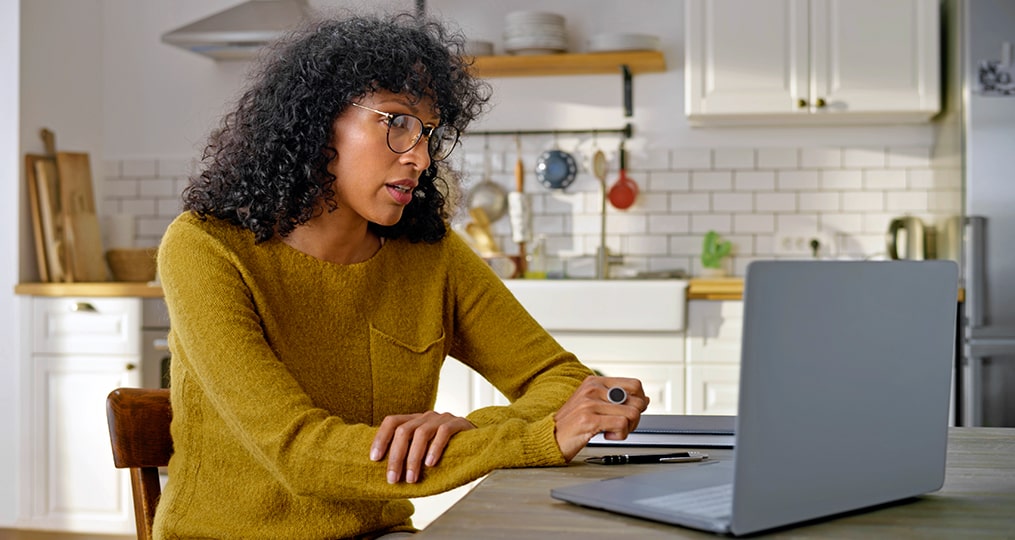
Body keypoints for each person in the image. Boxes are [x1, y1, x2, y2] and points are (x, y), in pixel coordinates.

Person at [154, 11, 648, 540]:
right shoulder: (204, 247)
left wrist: (470, 427)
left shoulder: (428, 255)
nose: (420, 157)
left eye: (429, 133)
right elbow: (300, 454)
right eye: (396, 122)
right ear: (318, 122)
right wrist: (530, 439)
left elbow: (562, 380)